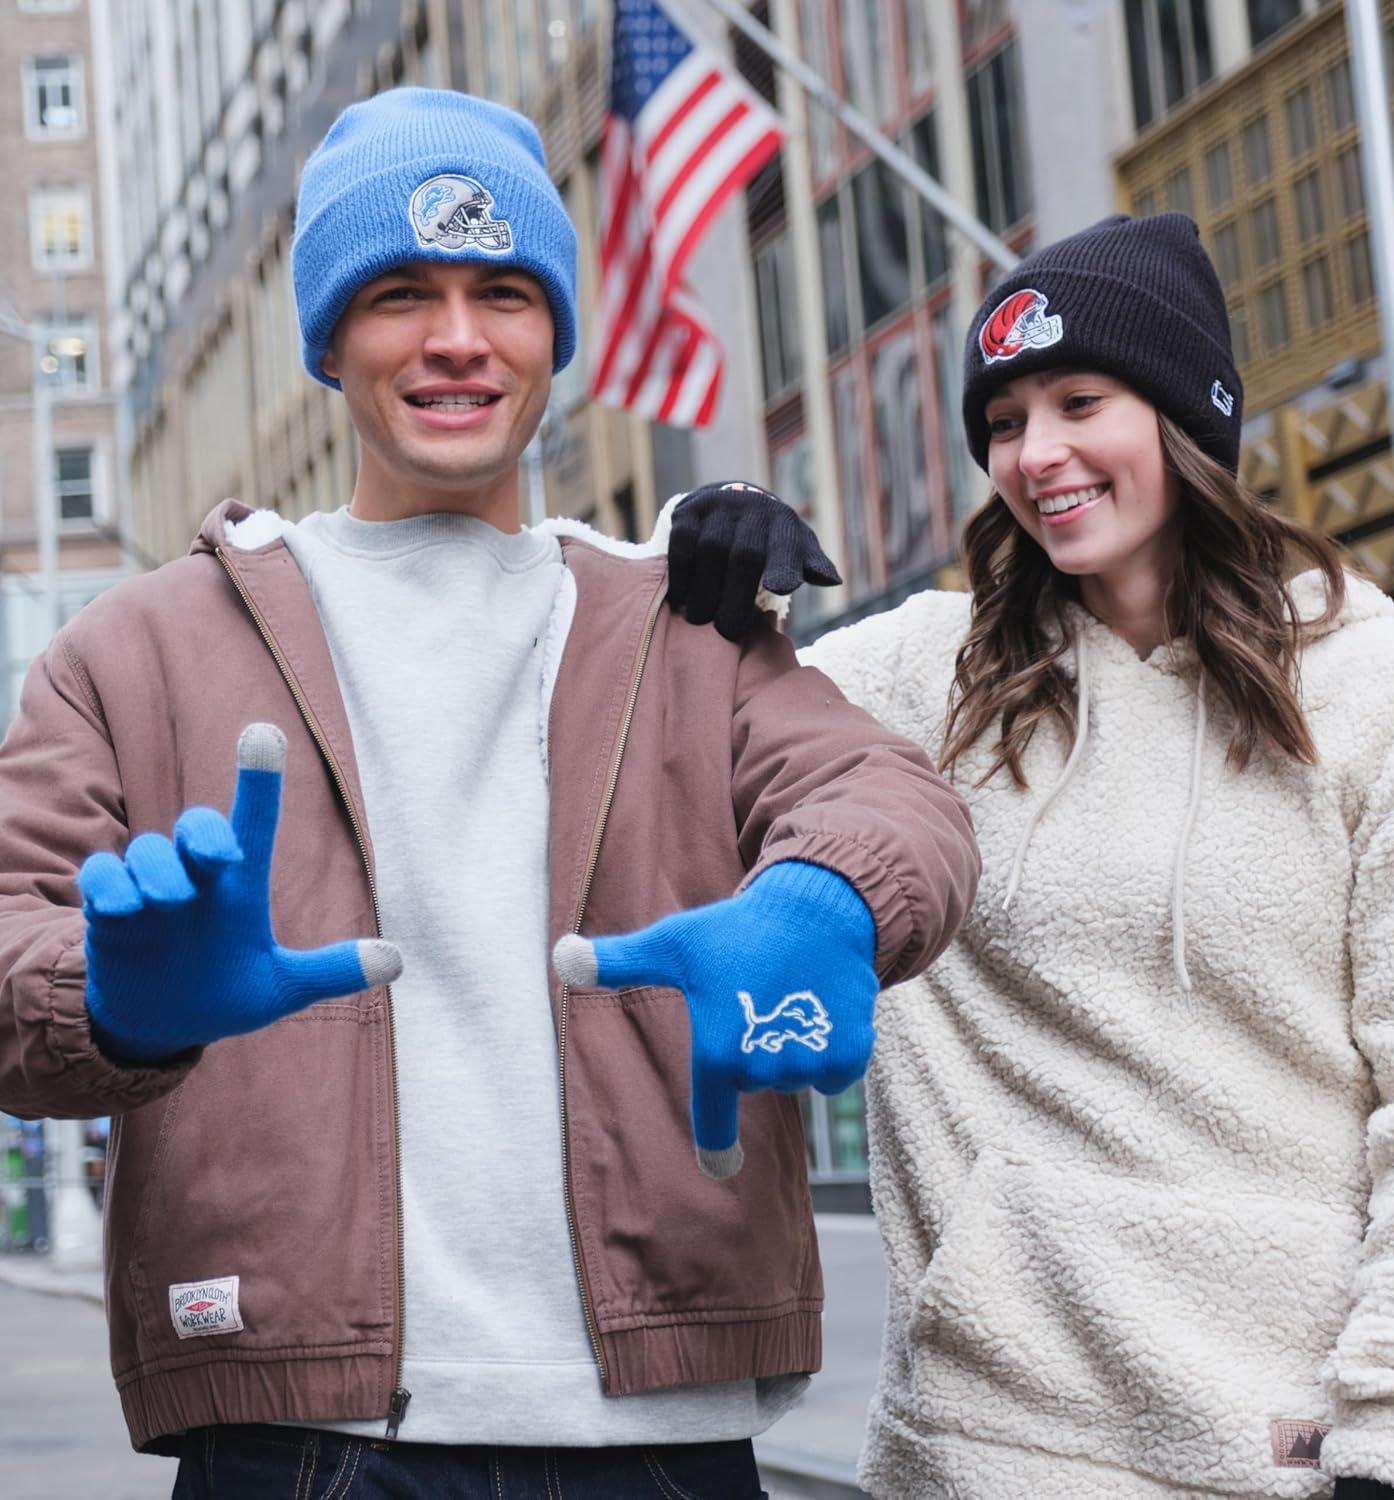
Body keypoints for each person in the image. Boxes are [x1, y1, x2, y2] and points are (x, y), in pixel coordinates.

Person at [0, 87, 979, 1499]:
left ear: (554, 336)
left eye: (502, 293)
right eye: (400, 293)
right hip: (300, 1438)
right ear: (329, 338)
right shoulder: (133, 652)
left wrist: (820, 900)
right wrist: (108, 1000)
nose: (457, 338)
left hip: (660, 1438)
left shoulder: (684, 626)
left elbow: (894, 802)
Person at [677, 213, 1394, 1500]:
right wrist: (708, 543)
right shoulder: (922, 677)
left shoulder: (1384, 689)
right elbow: (670, 719)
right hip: (979, 1443)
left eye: (1079, 403)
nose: (1036, 454)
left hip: (1294, 1448)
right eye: (1004, 422)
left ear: (1185, 417)